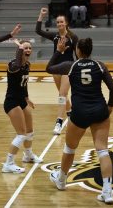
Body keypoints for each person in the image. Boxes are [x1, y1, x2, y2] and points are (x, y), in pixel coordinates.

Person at [46, 37, 113, 204]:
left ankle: (61, 181)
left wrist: (58, 50)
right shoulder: (100, 65)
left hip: (80, 113)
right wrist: (110, 106)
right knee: (102, 150)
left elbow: (49, 68)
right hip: (100, 111)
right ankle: (107, 192)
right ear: (90, 50)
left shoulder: (71, 66)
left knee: (70, 148)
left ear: (78, 50)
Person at [1, 40, 43, 173]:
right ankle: (8, 163)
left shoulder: (27, 65)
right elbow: (16, 66)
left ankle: (28, 155)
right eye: (25, 48)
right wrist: (19, 49)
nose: (28, 50)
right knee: (21, 134)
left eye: (30, 48)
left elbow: (24, 84)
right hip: (12, 102)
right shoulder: (13, 64)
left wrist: (27, 98)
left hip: (22, 100)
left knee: (30, 130)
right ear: (20, 51)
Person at [36, 7, 79, 135]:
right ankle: (71, 114)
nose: (60, 24)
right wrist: (41, 16)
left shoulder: (73, 37)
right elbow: (38, 30)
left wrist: (78, 67)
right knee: (63, 96)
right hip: (55, 67)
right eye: (58, 22)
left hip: (68, 67)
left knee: (61, 95)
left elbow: (78, 55)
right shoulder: (54, 36)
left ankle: (59, 122)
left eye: (61, 22)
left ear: (66, 23)